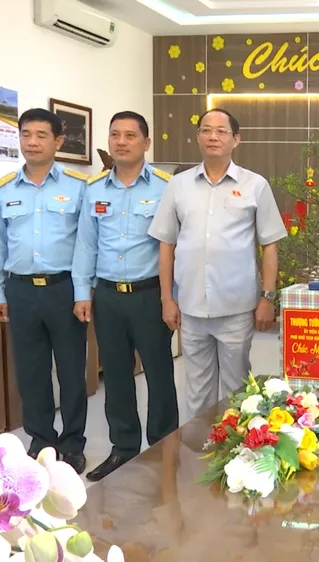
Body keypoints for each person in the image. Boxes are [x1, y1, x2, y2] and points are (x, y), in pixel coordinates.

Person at [148, 108, 287, 418]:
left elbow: (269, 245)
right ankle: (200, 444)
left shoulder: (255, 185)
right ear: (198, 137)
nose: (213, 136)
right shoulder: (178, 185)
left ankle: (237, 445)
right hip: (191, 307)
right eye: (206, 130)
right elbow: (166, 244)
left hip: (236, 308)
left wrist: (267, 298)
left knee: (238, 390)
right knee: (197, 390)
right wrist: (167, 298)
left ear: (236, 139)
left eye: (221, 131)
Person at [73, 111, 179, 481]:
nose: (121, 142)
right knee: (116, 376)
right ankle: (123, 447)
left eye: (130, 135)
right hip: (108, 296)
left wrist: (171, 297)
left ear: (146, 143)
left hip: (149, 294)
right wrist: (82, 292)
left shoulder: (166, 187)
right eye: (115, 134)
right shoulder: (94, 189)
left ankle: (164, 448)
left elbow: (175, 246)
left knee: (159, 373)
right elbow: (85, 244)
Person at [0, 108, 89, 473]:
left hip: (64, 289)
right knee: (31, 373)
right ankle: (41, 441)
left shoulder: (78, 186)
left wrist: (83, 292)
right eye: (25, 134)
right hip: (21, 291)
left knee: (72, 372)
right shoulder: (3, 189)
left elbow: (85, 244)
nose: (32, 142)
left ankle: (73, 443)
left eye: (41, 135)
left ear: (58, 141)